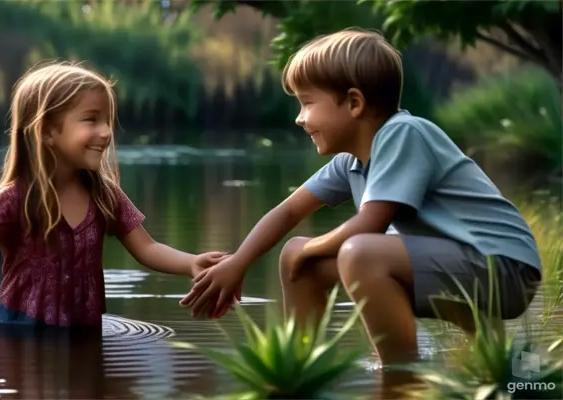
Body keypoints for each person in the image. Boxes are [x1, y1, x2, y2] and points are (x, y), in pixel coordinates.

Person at [180, 28, 541, 394]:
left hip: (503, 269)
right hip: (454, 268)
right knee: (298, 255)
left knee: (359, 252)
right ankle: (304, 375)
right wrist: (239, 263)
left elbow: (371, 223)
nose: (299, 118)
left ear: (354, 103)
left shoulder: (404, 133)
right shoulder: (350, 162)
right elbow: (287, 213)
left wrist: (308, 249)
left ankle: (399, 379)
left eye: (306, 103)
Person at [0, 61, 237, 328]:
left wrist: (191, 263)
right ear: (47, 131)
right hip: (18, 330)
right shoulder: (14, 198)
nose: (105, 132)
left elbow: (148, 249)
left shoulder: (105, 196)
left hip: (84, 330)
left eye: (107, 121)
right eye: (91, 120)